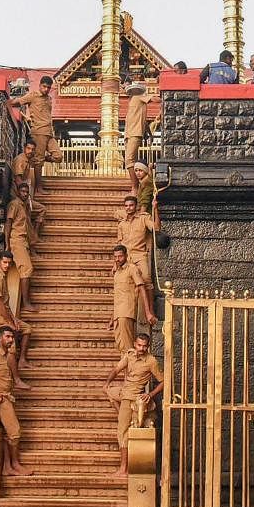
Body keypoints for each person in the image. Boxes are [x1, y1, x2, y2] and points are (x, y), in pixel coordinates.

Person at [104, 333, 164, 478]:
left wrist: (150, 395)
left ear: (148, 346)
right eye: (139, 345)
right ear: (134, 343)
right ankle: (122, 414)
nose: (141, 348)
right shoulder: (130, 354)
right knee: (109, 392)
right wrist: (106, 384)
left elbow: (163, 381)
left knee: (122, 432)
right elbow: (116, 369)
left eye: (144, 346)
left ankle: (123, 469)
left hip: (132, 398)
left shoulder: (151, 361)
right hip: (123, 392)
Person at [0, 327, 33, 477]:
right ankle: (15, 464)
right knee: (14, 432)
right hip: (1, 399)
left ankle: (7, 467)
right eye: (8, 337)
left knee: (6, 434)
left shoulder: (8, 355)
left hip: (8, 396)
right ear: (0, 338)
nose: (11, 340)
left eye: (12, 337)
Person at [0, 251, 32, 384]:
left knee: (27, 328)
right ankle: (16, 380)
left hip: (6, 314)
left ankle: (22, 360)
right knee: (10, 345)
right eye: (4, 262)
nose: (6, 265)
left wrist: (14, 319)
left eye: (9, 263)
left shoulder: (3, 276)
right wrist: (10, 323)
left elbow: (6, 303)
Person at [8, 75, 61, 186]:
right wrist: (6, 101)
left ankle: (36, 158)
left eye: (48, 87)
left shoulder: (49, 99)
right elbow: (18, 102)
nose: (46, 89)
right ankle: (39, 187)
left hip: (49, 133)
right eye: (44, 86)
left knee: (58, 156)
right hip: (39, 132)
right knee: (39, 162)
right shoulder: (33, 96)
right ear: (40, 85)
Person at [107, 245, 155, 352]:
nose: (117, 259)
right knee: (121, 347)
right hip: (118, 315)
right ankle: (128, 368)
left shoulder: (132, 269)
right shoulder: (117, 273)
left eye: (120, 256)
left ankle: (130, 369)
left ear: (126, 256)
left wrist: (148, 312)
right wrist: (112, 317)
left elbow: (142, 288)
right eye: (115, 257)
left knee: (127, 349)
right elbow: (118, 296)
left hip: (127, 313)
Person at [4, 182, 42, 313]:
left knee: (27, 268)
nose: (25, 194)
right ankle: (26, 303)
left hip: (24, 240)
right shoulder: (14, 204)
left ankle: (26, 302)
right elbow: (8, 224)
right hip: (16, 240)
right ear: (18, 192)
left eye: (27, 192)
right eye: (23, 192)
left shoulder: (25, 206)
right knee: (26, 269)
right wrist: (7, 244)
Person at [116, 194, 157, 305]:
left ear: (136, 206)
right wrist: (115, 264)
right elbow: (119, 244)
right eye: (126, 206)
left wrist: (155, 209)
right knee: (124, 284)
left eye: (131, 205)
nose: (128, 208)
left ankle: (151, 312)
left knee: (147, 281)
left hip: (139, 255)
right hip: (126, 257)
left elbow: (156, 228)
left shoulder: (144, 218)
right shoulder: (121, 224)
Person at [123, 82, 153, 170]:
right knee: (132, 160)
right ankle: (137, 182)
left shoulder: (139, 97)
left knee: (129, 160)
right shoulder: (132, 102)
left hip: (134, 133)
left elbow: (155, 99)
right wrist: (150, 134)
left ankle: (134, 184)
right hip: (128, 134)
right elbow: (144, 121)